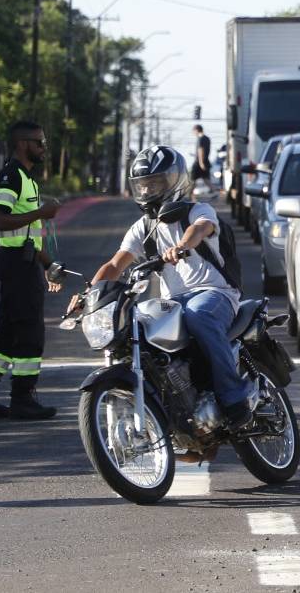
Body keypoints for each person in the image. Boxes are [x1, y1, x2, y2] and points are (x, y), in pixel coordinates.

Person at [90, 145, 254, 431]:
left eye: (155, 183)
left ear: (175, 181)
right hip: (174, 301)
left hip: (215, 293)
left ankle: (234, 397)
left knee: (198, 315)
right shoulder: (143, 227)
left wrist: (181, 247)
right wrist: (89, 296)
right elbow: (115, 264)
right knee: (139, 330)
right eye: (142, 186)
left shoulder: (198, 210)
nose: (148, 191)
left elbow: (200, 229)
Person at [0, 120, 65, 420]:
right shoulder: (11, 177)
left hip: (25, 261)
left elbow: (29, 234)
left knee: (8, 332)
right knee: (30, 330)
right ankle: (23, 397)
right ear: (22, 144)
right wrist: (42, 212)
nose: (43, 148)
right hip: (15, 264)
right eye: (39, 142)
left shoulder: (28, 180)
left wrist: (49, 264)